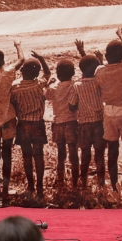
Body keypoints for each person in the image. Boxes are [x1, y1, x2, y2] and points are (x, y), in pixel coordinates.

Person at [94, 27, 122, 191]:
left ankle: (114, 186)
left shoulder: (100, 70)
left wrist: (101, 61)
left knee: (112, 151)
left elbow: (102, 72)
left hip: (109, 114)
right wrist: (121, 35)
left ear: (105, 57)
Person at [0, 41, 25, 206]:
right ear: (2, 61)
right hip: (8, 118)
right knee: (7, 155)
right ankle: (5, 191)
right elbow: (21, 60)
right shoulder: (8, 72)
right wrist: (18, 46)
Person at [10, 52, 51, 201]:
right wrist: (42, 58)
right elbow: (48, 73)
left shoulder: (14, 87)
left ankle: (30, 186)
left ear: (21, 72)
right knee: (39, 156)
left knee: (26, 157)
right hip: (37, 124)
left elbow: (13, 104)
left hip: (23, 124)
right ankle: (40, 188)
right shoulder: (40, 85)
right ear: (37, 73)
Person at [69, 55, 106, 188]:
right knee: (99, 154)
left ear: (81, 69)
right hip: (99, 123)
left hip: (84, 124)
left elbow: (72, 106)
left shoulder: (77, 85)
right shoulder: (98, 82)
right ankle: (101, 182)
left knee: (85, 154)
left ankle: (83, 182)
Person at [45, 59, 79, 189]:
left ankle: (60, 179)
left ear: (58, 74)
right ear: (73, 72)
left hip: (58, 123)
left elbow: (46, 95)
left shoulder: (53, 88)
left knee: (61, 155)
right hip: (72, 122)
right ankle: (75, 182)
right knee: (74, 154)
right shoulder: (74, 85)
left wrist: (48, 83)